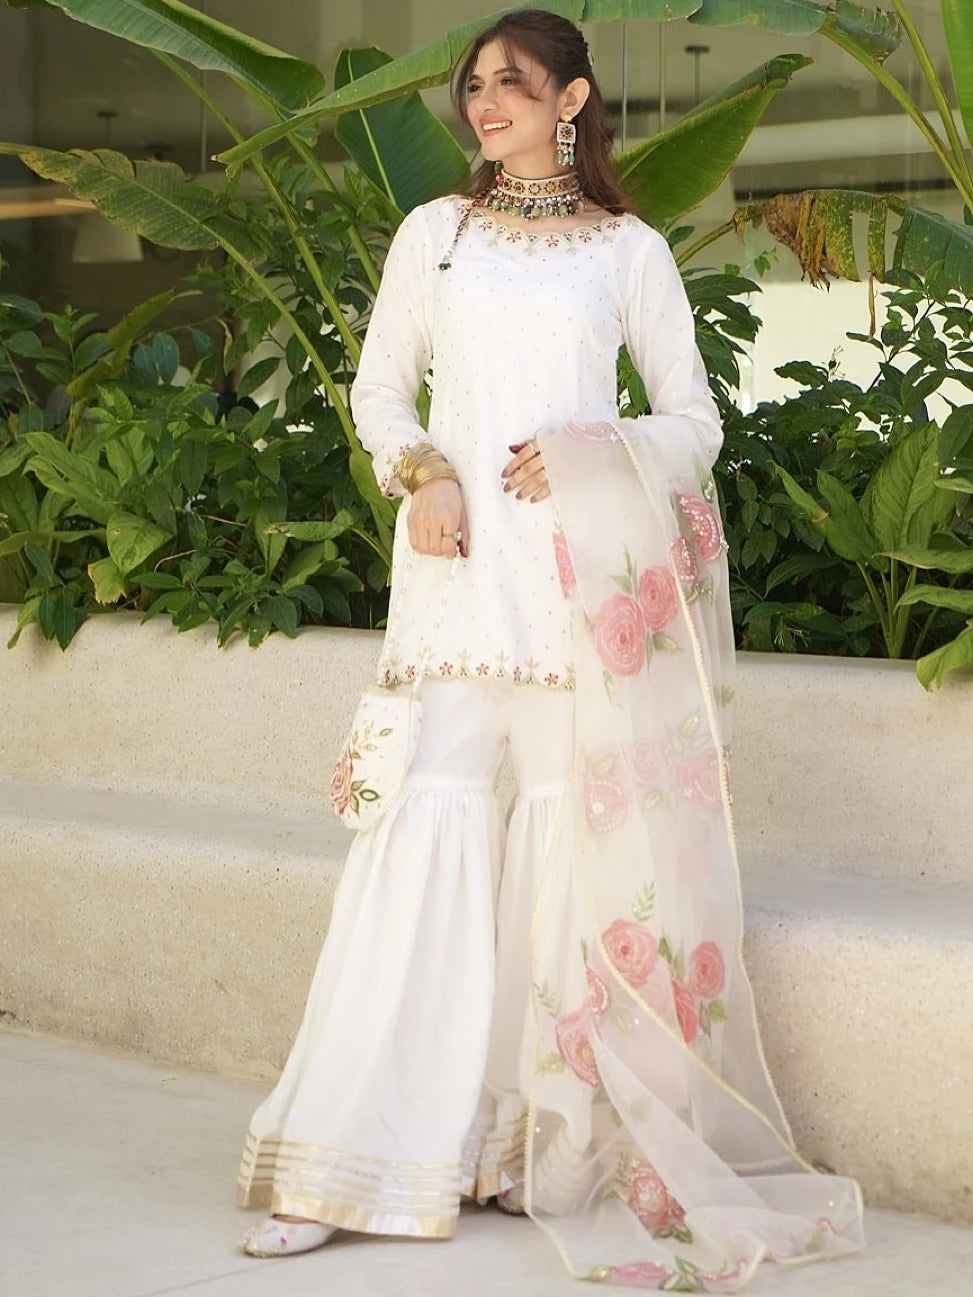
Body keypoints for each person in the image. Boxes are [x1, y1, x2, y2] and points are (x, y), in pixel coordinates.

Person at [236, 9, 865, 1288]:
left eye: (512, 86)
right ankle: (351, 1153)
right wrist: (419, 470)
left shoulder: (627, 253)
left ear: (572, 98)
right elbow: (378, 389)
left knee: (569, 867)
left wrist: (593, 451)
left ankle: (533, 1148)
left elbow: (691, 420)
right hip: (455, 582)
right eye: (475, 86)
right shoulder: (439, 236)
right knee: (425, 829)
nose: (483, 105)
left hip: (578, 593)